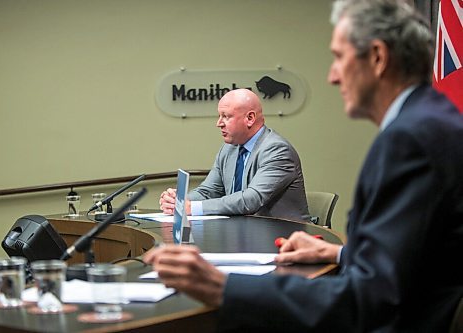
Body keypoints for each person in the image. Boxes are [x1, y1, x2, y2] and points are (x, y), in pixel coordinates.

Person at [144, 0, 463, 331]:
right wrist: (338, 253)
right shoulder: (429, 122)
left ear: (378, 58)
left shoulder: (410, 140)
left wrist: (223, 288)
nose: (332, 76)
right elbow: (407, 260)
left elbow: (370, 300)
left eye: (339, 58)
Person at [159, 88, 309, 221]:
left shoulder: (277, 150)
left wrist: (191, 208)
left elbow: (251, 200)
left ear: (249, 118)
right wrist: (179, 201)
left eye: (226, 116)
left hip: (284, 239)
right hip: (245, 234)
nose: (219, 123)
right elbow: (209, 191)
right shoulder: (229, 148)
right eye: (219, 116)